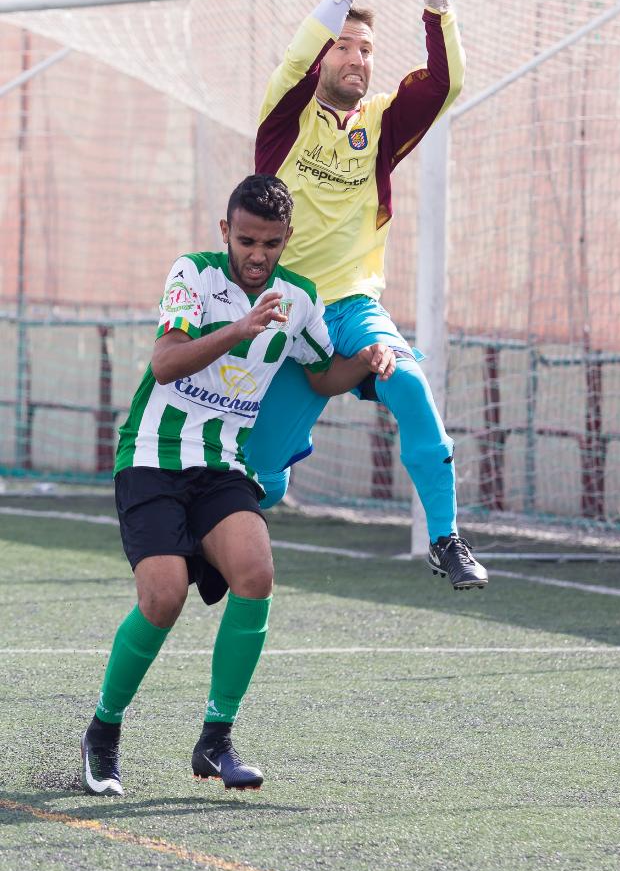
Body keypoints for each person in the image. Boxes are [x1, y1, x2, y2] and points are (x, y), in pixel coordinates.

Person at [80, 174, 395, 797]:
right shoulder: (193, 275)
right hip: (151, 458)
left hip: (223, 465)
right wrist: (239, 330)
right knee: (163, 599)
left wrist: (369, 362)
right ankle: (104, 733)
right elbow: (166, 363)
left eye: (270, 243)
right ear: (227, 232)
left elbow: (321, 375)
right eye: (246, 240)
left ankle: (215, 739)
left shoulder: (299, 298)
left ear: (286, 240)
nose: (257, 254)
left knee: (256, 573)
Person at [246, 0, 488, 591]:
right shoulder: (283, 120)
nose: (355, 57)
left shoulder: (379, 126)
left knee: (409, 382)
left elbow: (446, 85)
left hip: (352, 304)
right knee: (261, 482)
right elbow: (296, 60)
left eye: (365, 50)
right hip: (283, 313)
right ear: (324, 54)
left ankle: (446, 538)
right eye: (344, 46)